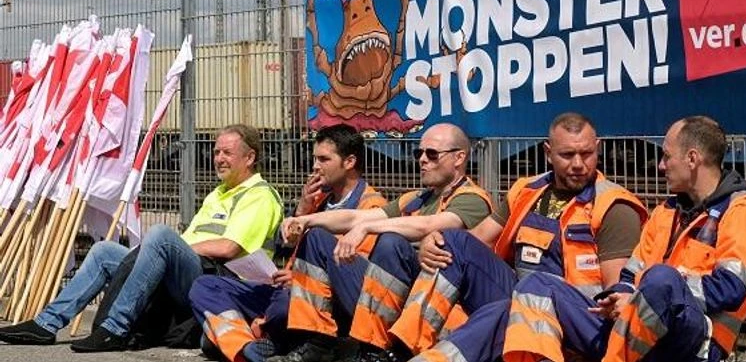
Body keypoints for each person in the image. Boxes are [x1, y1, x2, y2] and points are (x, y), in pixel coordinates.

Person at [496, 116, 746, 362]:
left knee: (662, 280)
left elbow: (731, 288)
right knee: (538, 285)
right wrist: (623, 294)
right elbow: (632, 272)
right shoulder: (667, 211)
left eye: (666, 156)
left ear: (692, 158)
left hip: (696, 339)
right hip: (639, 325)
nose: (661, 165)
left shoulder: (742, 212)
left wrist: (650, 296)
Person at [383, 112, 647, 362]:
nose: (578, 164)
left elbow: (615, 301)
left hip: (573, 319)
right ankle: (407, 346)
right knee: (453, 241)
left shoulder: (614, 207)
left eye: (587, 153)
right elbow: (478, 239)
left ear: (598, 148)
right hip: (518, 298)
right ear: (548, 153)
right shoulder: (527, 190)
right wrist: (434, 239)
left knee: (508, 308)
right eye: (567, 155)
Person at [0, 124, 284, 353]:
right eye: (216, 151)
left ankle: (116, 327)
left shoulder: (258, 195)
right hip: (192, 271)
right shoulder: (218, 193)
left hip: (221, 282)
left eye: (227, 153)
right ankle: (47, 324)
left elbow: (228, 247)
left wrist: (168, 248)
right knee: (103, 251)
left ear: (250, 157)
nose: (219, 158)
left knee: (160, 235)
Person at [269, 123, 494, 362]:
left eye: (432, 154)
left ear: (459, 158)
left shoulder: (472, 199)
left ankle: (374, 351)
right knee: (315, 237)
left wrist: (365, 228)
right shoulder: (415, 199)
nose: (422, 160)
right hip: (392, 300)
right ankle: (318, 344)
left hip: (436, 309)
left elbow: (428, 225)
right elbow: (354, 216)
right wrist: (304, 219)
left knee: (390, 243)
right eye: (419, 153)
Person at [188, 124, 387, 362]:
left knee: (276, 309)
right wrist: (302, 209)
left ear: (349, 162)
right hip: (285, 290)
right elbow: (286, 250)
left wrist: (301, 279)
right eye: (315, 158)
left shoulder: (371, 206)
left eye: (324, 159)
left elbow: (352, 278)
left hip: (321, 300)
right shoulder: (317, 200)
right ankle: (247, 345)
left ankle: (264, 335)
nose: (315, 166)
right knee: (206, 286)